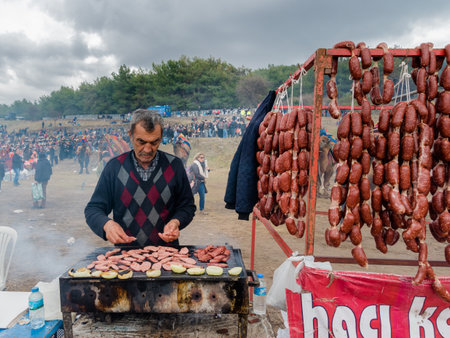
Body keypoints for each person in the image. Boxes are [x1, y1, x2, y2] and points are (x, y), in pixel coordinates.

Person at [85, 109, 196, 247]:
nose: (148, 149)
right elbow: (93, 209)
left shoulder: (175, 166)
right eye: (141, 142)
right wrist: (107, 225)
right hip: (126, 257)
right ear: (130, 135)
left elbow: (187, 207)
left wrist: (176, 221)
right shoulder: (114, 168)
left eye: (155, 142)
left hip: (167, 254)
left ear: (161, 138)